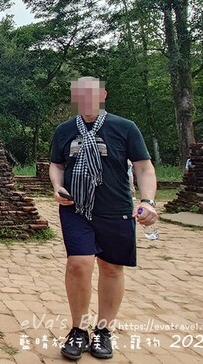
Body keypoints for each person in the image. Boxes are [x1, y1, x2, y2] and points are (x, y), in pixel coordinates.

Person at [50, 76, 157, 361]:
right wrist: (57, 186)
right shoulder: (64, 130)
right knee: (78, 264)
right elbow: (57, 164)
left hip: (115, 208)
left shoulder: (124, 128)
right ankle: (78, 329)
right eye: (80, 94)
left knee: (111, 268)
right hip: (76, 208)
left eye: (91, 94)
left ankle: (103, 330)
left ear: (103, 95)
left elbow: (143, 168)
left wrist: (148, 201)